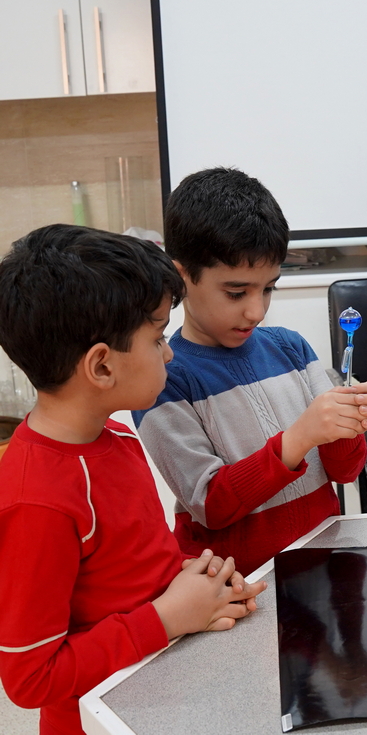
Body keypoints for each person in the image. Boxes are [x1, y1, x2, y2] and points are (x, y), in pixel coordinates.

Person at [0, 225, 266, 735]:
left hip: (163, 687)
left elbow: (130, 570)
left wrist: (199, 581)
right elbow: (30, 679)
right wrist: (167, 617)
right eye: (157, 337)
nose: (168, 354)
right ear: (102, 366)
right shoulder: (36, 499)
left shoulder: (117, 436)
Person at [132, 168, 367, 575]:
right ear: (181, 277)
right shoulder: (166, 378)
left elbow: (345, 471)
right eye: (236, 293)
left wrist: (346, 425)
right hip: (239, 587)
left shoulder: (291, 348)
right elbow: (210, 504)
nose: (256, 311)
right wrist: (299, 438)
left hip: (322, 565)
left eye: (268, 288)